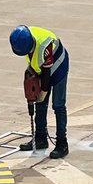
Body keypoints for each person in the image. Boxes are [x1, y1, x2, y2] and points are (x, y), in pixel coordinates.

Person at [9, 25, 69, 159]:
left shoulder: (44, 46)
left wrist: (43, 92)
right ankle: (40, 138)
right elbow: (35, 63)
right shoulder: (24, 36)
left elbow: (47, 75)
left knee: (58, 105)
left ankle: (62, 143)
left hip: (59, 66)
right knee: (39, 104)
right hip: (44, 68)